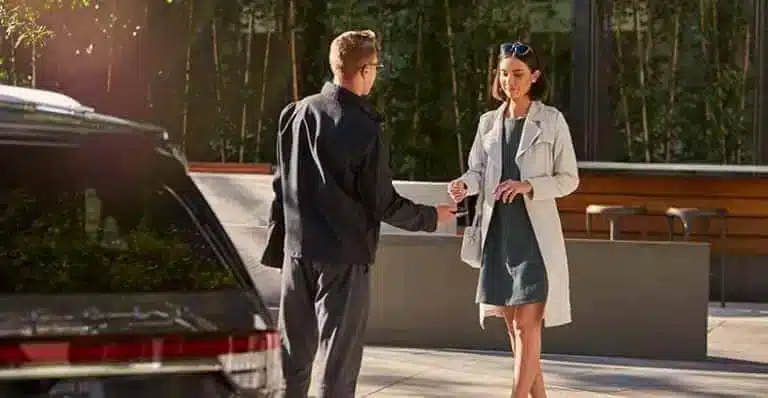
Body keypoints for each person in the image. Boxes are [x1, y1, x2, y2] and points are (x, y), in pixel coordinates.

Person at [265, 30, 458, 398]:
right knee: (337, 365)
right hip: (343, 257)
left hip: (297, 251)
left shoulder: (295, 113)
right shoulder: (364, 128)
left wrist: (280, 247)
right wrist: (433, 217)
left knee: (292, 361)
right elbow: (382, 201)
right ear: (366, 69)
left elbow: (280, 185)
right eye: (376, 67)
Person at [447, 41, 579, 398]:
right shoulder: (488, 123)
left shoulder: (551, 121)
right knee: (514, 330)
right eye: (504, 74)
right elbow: (477, 170)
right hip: (499, 236)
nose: (510, 81)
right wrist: (463, 184)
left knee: (526, 327)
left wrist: (528, 186)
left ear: (534, 77)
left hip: (535, 240)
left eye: (518, 74)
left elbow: (569, 179)